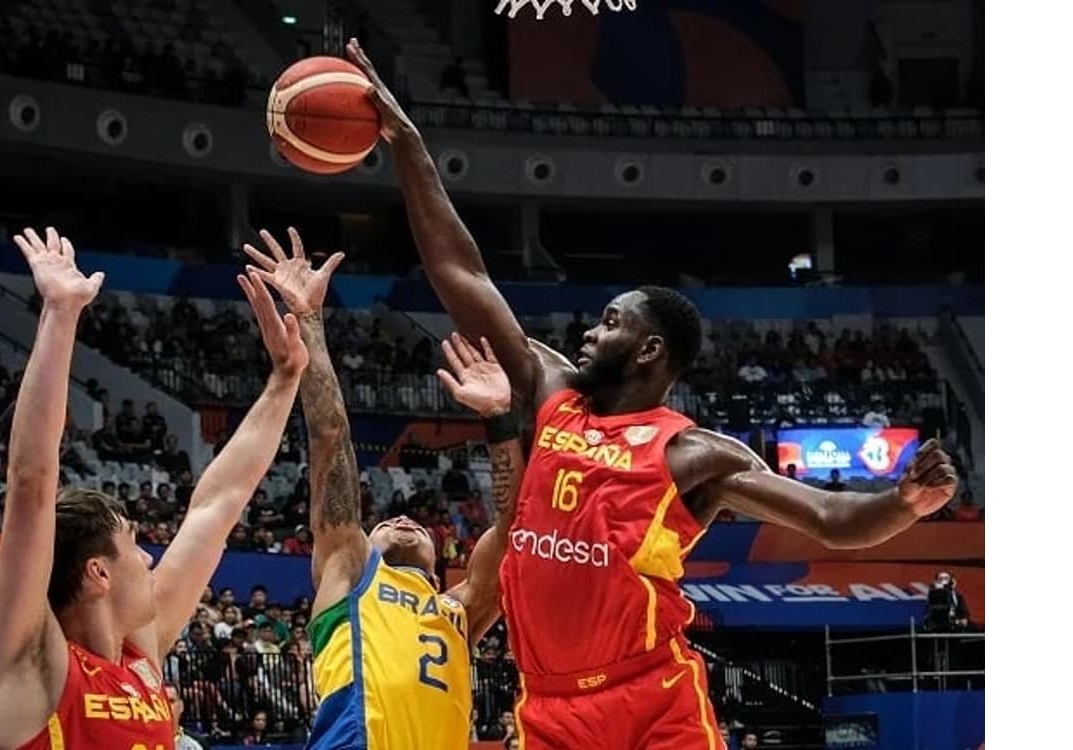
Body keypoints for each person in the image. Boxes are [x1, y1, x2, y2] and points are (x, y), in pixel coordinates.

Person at [345, 38, 960, 749]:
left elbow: (829, 517)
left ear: (648, 350)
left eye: (609, 323)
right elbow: (464, 276)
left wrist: (905, 502)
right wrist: (410, 145)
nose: (587, 332)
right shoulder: (551, 392)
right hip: (547, 708)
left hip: (649, 701)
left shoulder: (693, 456)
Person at [0, 227, 309, 749]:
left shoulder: (140, 657)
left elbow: (216, 506)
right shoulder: (35, 664)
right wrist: (62, 315)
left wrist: (286, 379)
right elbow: (31, 483)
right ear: (98, 573)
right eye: (134, 544)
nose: (150, 559)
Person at [242, 228, 525, 748]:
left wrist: (499, 418)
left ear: (442, 561)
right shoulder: (350, 569)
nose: (401, 519)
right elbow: (331, 438)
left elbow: (515, 530)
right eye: (385, 521)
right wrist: (309, 321)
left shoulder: (460, 611)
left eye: (415, 523)